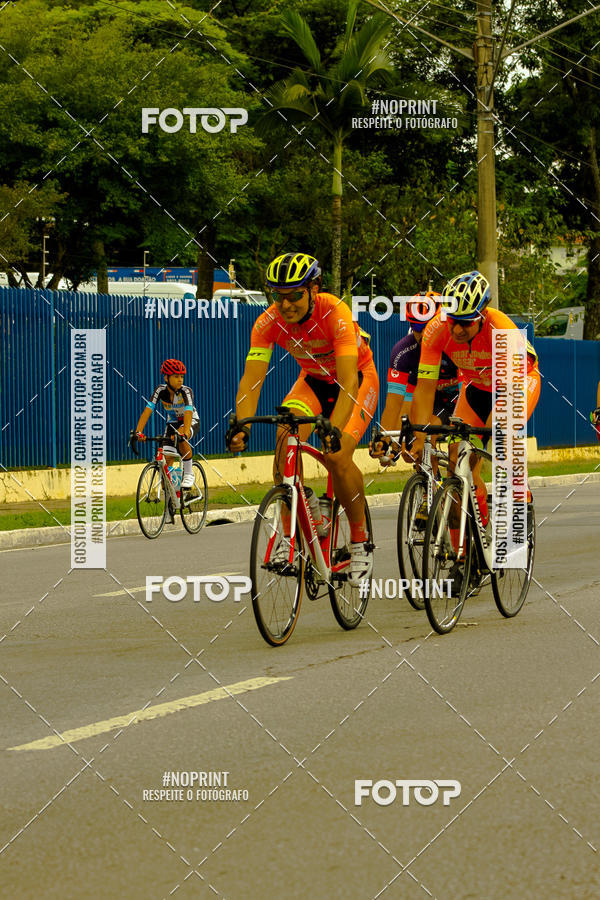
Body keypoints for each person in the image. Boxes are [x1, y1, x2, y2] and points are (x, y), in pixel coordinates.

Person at [226, 252, 379, 585]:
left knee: (336, 456)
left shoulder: (336, 312)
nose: (286, 304)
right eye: (277, 295)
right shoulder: (267, 322)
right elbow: (251, 381)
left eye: (294, 294)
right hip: (312, 381)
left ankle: (360, 540)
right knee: (285, 434)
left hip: (355, 381)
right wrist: (242, 425)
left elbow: (348, 382)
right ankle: (289, 533)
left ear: (314, 288)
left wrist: (334, 429)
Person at [409, 271, 541, 526]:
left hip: (517, 382)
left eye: (466, 322)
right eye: (453, 320)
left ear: (482, 315)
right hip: (476, 387)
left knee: (502, 441)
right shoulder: (435, 329)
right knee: (457, 460)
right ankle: (476, 534)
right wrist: (420, 436)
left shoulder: (501, 328)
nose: (457, 329)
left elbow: (508, 394)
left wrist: (492, 432)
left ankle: (519, 498)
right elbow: (424, 388)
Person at [370, 293, 460, 467]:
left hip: (460, 396)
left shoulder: (455, 343)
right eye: (417, 327)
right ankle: (429, 480)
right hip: (432, 400)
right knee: (414, 443)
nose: (424, 333)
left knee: (456, 453)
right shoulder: (404, 351)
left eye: (428, 326)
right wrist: (387, 440)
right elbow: (396, 404)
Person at [134, 359, 199, 489]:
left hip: (190, 420)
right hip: (172, 423)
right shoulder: (160, 390)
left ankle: (188, 474)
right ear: (166, 378)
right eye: (176, 376)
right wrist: (138, 431)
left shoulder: (186, 391)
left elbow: (188, 411)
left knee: (181, 436)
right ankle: (171, 495)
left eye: (182, 376)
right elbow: (147, 410)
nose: (180, 380)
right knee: (166, 460)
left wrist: (185, 432)